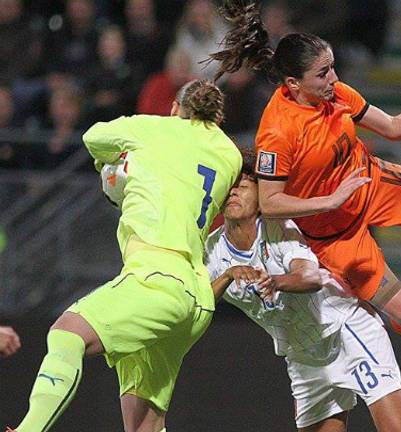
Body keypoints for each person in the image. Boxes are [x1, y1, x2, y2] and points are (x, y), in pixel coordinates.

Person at [210, 1, 401, 382]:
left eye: (332, 68)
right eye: (322, 73)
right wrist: (331, 200)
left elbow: (392, 126)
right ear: (294, 84)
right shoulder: (278, 133)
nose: (333, 78)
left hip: (368, 181)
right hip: (333, 234)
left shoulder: (336, 93)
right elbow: (270, 203)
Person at [10, 79, 242, 432]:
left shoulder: (150, 128)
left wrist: (113, 168)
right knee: (144, 425)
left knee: (66, 333)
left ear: (175, 109)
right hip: (196, 294)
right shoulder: (230, 154)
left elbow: (93, 138)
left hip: (156, 278)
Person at [205, 151, 401, 431]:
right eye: (229, 189)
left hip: (345, 330)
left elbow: (311, 276)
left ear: (260, 197)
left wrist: (276, 281)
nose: (233, 194)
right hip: (304, 356)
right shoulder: (212, 251)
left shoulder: (279, 228)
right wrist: (228, 275)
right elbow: (200, 301)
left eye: (243, 187)